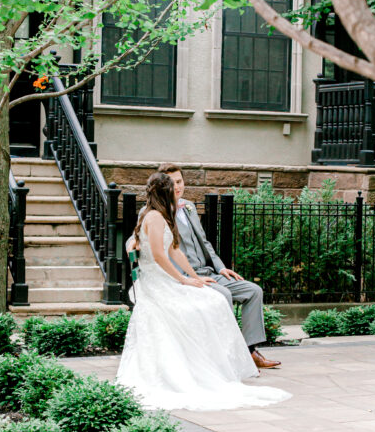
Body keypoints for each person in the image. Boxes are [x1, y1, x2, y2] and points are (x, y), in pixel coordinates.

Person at [116, 171, 290, 412]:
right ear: (164, 192)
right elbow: (157, 254)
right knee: (213, 301)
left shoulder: (167, 213)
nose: (177, 190)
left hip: (182, 276)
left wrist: (196, 277)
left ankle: (232, 357)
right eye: (172, 187)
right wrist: (183, 279)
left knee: (226, 295)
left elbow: (175, 249)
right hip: (158, 283)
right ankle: (214, 361)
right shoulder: (153, 216)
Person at [158, 163, 280, 369]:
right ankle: (228, 356)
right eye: (171, 183)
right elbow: (154, 247)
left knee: (253, 291)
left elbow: (205, 242)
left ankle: (250, 351)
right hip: (185, 277)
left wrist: (221, 267)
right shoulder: (155, 212)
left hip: (209, 272)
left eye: (179, 181)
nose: (177, 187)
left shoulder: (188, 207)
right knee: (223, 295)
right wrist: (191, 277)